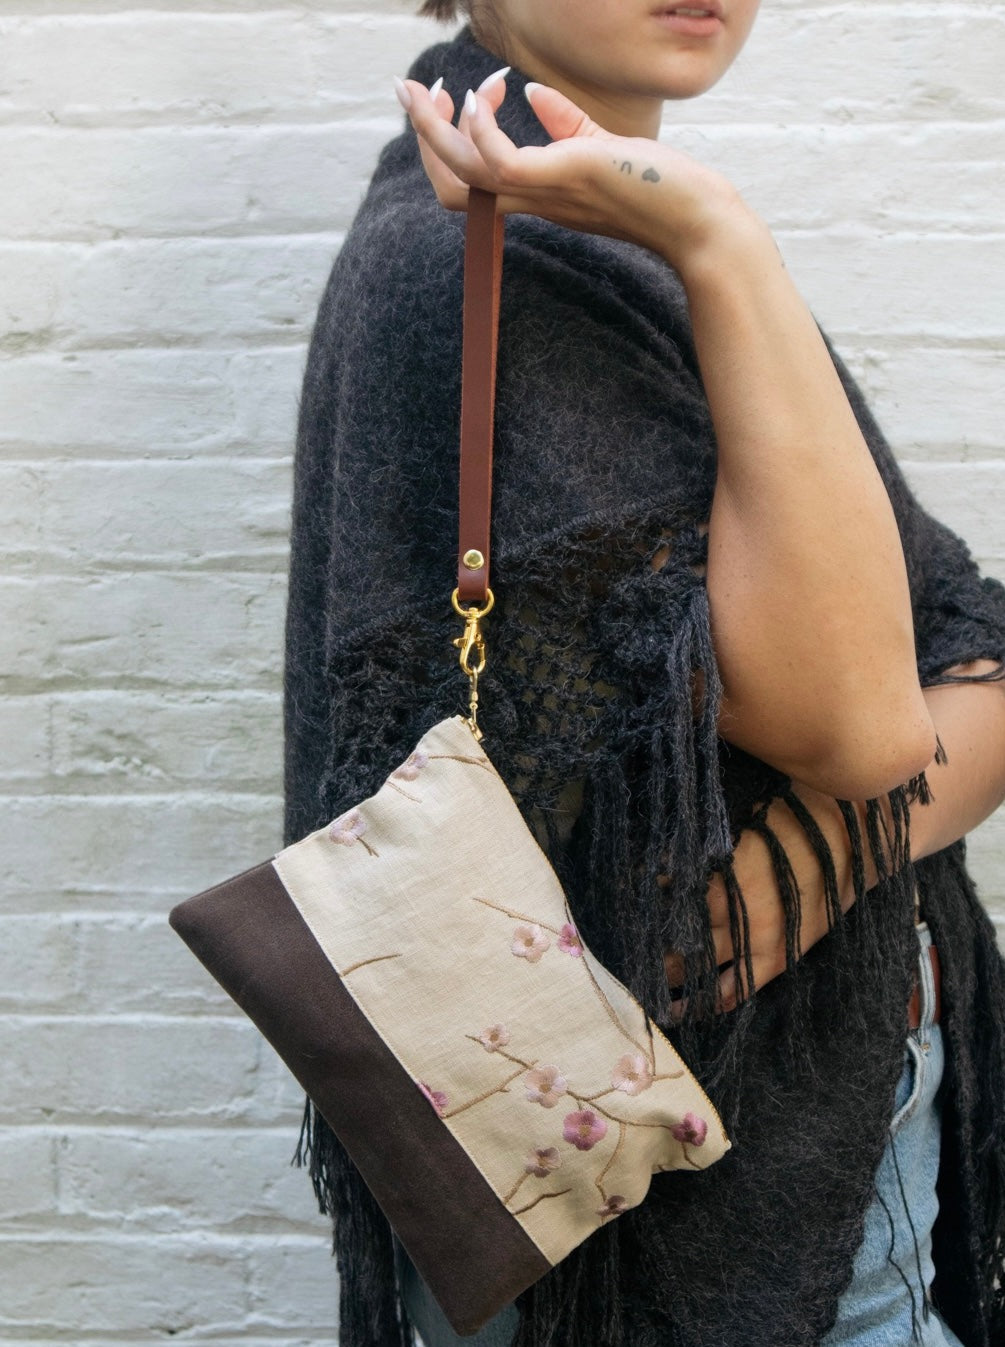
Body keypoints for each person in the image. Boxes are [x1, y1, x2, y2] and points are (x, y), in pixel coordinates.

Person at [284, 3, 1005, 1344]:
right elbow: (863, 726)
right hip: (701, 1230)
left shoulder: (621, 241)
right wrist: (722, 240)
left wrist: (803, 869)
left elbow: (974, 654)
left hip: (761, 1180)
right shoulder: (491, 263)